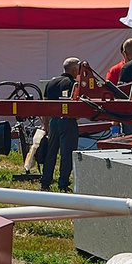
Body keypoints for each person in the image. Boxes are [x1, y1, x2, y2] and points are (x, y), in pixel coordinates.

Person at [36, 58, 86, 192]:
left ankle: (45, 182)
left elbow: (45, 106)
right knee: (67, 153)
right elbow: (76, 108)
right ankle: (63, 183)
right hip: (68, 121)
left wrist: (45, 125)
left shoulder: (51, 83)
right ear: (74, 70)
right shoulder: (74, 84)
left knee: (50, 152)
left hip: (53, 121)